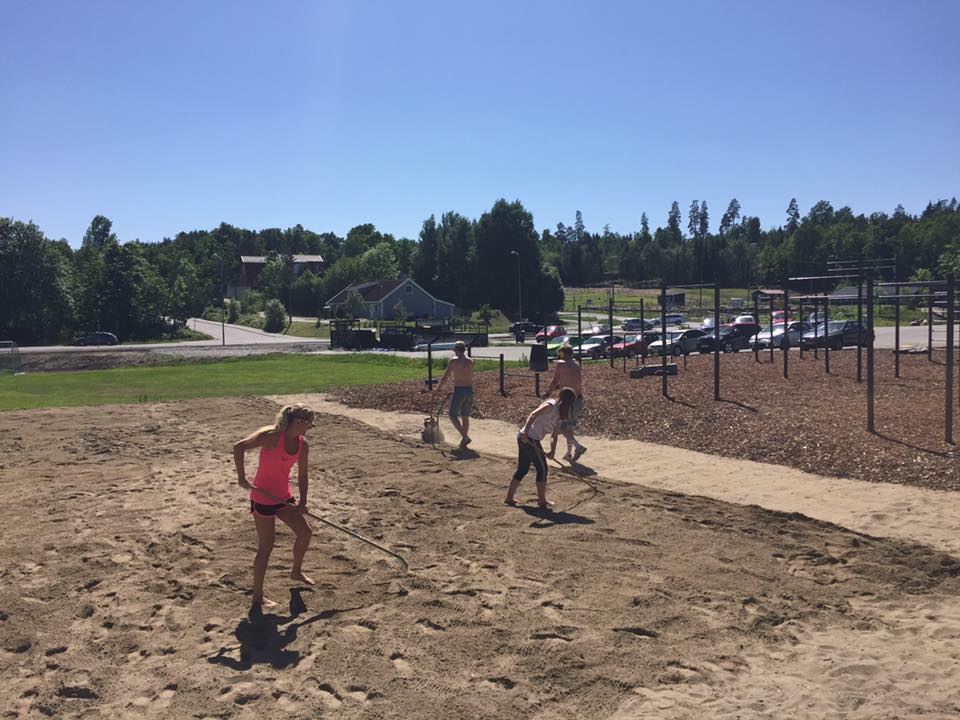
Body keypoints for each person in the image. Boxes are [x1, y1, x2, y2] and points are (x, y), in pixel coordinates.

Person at [233, 403, 316, 608]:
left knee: (305, 533)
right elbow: (239, 447)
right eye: (305, 423)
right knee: (266, 547)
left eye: (310, 425)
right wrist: (242, 478)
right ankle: (258, 596)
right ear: (294, 421)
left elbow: (303, 475)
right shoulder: (271, 436)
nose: (307, 428)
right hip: (262, 499)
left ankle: (296, 572)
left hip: (283, 497)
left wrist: (303, 500)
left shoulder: (302, 445)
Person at [505, 387, 576, 510]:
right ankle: (542, 501)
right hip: (527, 437)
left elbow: (554, 434)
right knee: (542, 469)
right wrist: (526, 434)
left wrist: (552, 451)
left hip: (532, 438)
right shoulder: (550, 405)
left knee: (523, 469)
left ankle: (509, 498)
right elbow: (532, 415)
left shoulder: (560, 413)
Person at [545, 343, 587, 462]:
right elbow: (571, 380)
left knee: (560, 427)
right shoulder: (577, 364)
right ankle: (568, 453)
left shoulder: (561, 364)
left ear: (562, 353)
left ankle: (578, 447)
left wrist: (548, 393)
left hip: (567, 401)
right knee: (569, 428)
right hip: (578, 399)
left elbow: (554, 381)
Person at [434, 340, 474, 449]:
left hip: (460, 390)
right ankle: (463, 441)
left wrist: (438, 389)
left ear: (456, 350)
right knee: (465, 416)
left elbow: (445, 376)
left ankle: (465, 436)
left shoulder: (454, 361)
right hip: (470, 390)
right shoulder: (470, 361)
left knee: (452, 415)